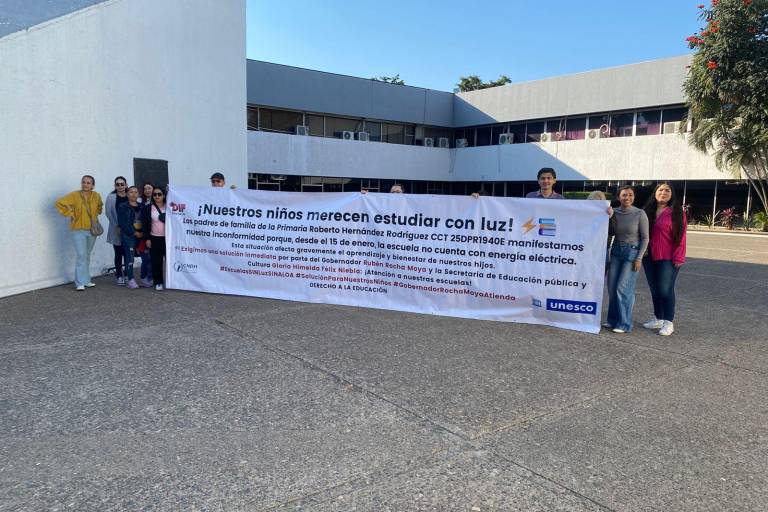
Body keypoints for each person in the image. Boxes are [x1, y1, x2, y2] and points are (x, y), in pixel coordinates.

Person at [642, 182, 687, 336]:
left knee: (665, 289)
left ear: (671, 194)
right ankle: (658, 318)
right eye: (660, 190)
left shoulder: (677, 212)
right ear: (655, 193)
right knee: (654, 289)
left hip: (668, 257)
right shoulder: (647, 210)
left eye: (667, 190)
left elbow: (681, 236)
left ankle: (668, 322)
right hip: (648, 256)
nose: (663, 192)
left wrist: (679, 256)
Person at [603, 186, 649, 333]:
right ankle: (613, 320)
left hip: (632, 253)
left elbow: (645, 238)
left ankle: (624, 323)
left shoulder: (640, 213)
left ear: (634, 197)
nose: (627, 197)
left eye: (630, 195)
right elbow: (609, 232)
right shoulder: (613, 212)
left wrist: (639, 258)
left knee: (622, 288)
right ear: (618, 197)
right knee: (612, 287)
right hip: (616, 251)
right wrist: (609, 217)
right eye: (624, 195)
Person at [55, 175, 103, 291]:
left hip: (92, 229)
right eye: (83, 182)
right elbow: (59, 203)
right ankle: (80, 282)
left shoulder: (96, 196)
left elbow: (100, 207)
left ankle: (86, 280)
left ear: (93, 185)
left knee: (87, 254)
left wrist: (94, 215)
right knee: (81, 255)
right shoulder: (75, 195)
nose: (85, 184)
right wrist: (70, 213)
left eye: (88, 183)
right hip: (78, 229)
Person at [117, 186, 145, 289]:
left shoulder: (142, 206)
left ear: (138, 194)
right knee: (130, 258)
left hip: (142, 236)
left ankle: (145, 278)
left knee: (145, 257)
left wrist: (144, 233)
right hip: (129, 236)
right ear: (127, 194)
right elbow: (122, 223)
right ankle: (130, 279)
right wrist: (134, 232)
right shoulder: (122, 206)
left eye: (135, 192)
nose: (133, 194)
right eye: (131, 192)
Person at [104, 176, 128, 285]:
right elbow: (108, 212)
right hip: (116, 229)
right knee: (118, 253)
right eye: (117, 184)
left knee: (128, 253)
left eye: (122, 184)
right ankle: (119, 275)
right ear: (115, 186)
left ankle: (127, 274)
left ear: (126, 185)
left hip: (129, 229)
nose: (120, 186)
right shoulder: (111, 197)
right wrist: (116, 226)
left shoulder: (130, 195)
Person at [142, 186, 167, 291]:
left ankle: (171, 281)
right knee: (156, 261)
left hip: (168, 238)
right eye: (155, 194)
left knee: (170, 261)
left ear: (164, 195)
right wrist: (147, 239)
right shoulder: (148, 208)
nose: (157, 196)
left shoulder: (170, 206)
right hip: (154, 238)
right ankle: (158, 282)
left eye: (159, 194)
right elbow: (145, 225)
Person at [136, 181, 154, 287]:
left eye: (149, 188)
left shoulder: (159, 203)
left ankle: (151, 277)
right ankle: (144, 278)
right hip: (144, 235)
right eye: (145, 189)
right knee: (146, 258)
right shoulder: (140, 203)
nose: (147, 190)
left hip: (156, 235)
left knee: (153, 259)